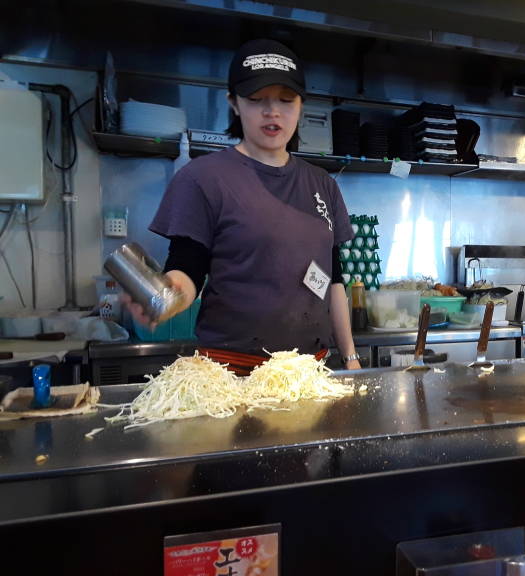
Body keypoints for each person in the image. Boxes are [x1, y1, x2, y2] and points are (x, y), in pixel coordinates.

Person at [130, 39, 361, 369]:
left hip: (309, 373)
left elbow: (333, 277)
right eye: (256, 99)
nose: (273, 111)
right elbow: (187, 265)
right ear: (234, 104)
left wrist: (350, 357)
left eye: (286, 99)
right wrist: (167, 296)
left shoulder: (322, 184)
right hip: (230, 373)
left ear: (301, 105)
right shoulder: (204, 178)